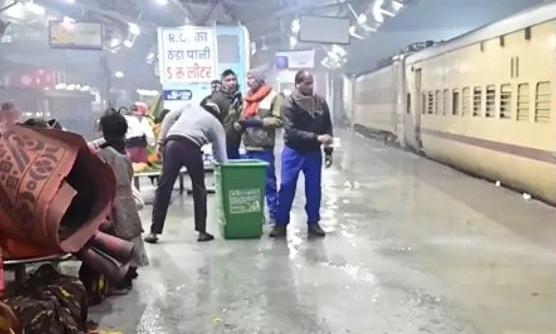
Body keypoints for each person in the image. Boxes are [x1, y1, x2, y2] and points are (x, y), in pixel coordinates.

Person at [144, 103, 228, 244]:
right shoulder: (216, 124)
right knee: (199, 188)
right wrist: (223, 167)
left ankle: (153, 232)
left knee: (164, 187)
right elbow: (221, 155)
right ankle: (202, 232)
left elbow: (169, 116)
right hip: (192, 147)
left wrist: (160, 141)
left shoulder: (190, 107)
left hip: (172, 144)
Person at [270, 70, 334, 238]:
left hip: (313, 153)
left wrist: (328, 150)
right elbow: (290, 132)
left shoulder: (320, 103)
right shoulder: (289, 104)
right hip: (293, 152)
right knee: (286, 188)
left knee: (314, 190)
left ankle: (313, 222)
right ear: (297, 84)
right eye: (307, 83)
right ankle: (280, 224)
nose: (311, 86)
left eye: (312, 82)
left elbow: (327, 127)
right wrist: (316, 137)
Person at [94, 110, 150, 290]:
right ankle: (129, 271)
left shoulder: (105, 154)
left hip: (110, 202)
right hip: (125, 202)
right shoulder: (122, 152)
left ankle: (120, 275)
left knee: (115, 239)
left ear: (104, 131)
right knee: (130, 236)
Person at [236, 70, 283, 225]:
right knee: (251, 187)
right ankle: (256, 217)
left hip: (264, 148)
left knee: (268, 184)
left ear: (260, 79)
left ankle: (274, 218)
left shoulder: (274, 96)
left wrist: (259, 122)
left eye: (251, 78)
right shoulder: (247, 97)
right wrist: (239, 125)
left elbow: (279, 121)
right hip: (248, 147)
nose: (248, 81)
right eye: (247, 78)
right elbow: (242, 117)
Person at [201, 70, 242, 159]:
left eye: (234, 79)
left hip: (235, 142)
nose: (232, 82)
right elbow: (210, 121)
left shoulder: (238, 97)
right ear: (222, 82)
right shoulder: (216, 99)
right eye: (228, 80)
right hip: (221, 143)